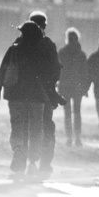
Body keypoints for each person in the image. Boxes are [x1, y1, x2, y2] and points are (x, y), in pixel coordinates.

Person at [0, 20, 60, 180]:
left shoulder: (15, 49)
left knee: (18, 125)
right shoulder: (42, 50)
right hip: (37, 97)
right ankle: (32, 161)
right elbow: (52, 73)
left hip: (15, 95)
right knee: (36, 129)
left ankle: (18, 154)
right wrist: (52, 94)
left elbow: (3, 69)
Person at [28, 11, 62, 151]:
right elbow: (56, 70)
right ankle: (44, 161)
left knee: (30, 126)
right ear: (45, 26)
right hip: (45, 92)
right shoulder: (48, 44)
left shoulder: (21, 43)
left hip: (26, 92)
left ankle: (31, 159)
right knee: (47, 124)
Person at [57, 27, 91, 147]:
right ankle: (78, 138)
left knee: (67, 113)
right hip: (77, 87)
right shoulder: (81, 54)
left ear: (67, 38)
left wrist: (57, 84)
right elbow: (86, 73)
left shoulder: (61, 52)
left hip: (65, 86)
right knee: (77, 112)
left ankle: (69, 138)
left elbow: (57, 70)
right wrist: (86, 88)